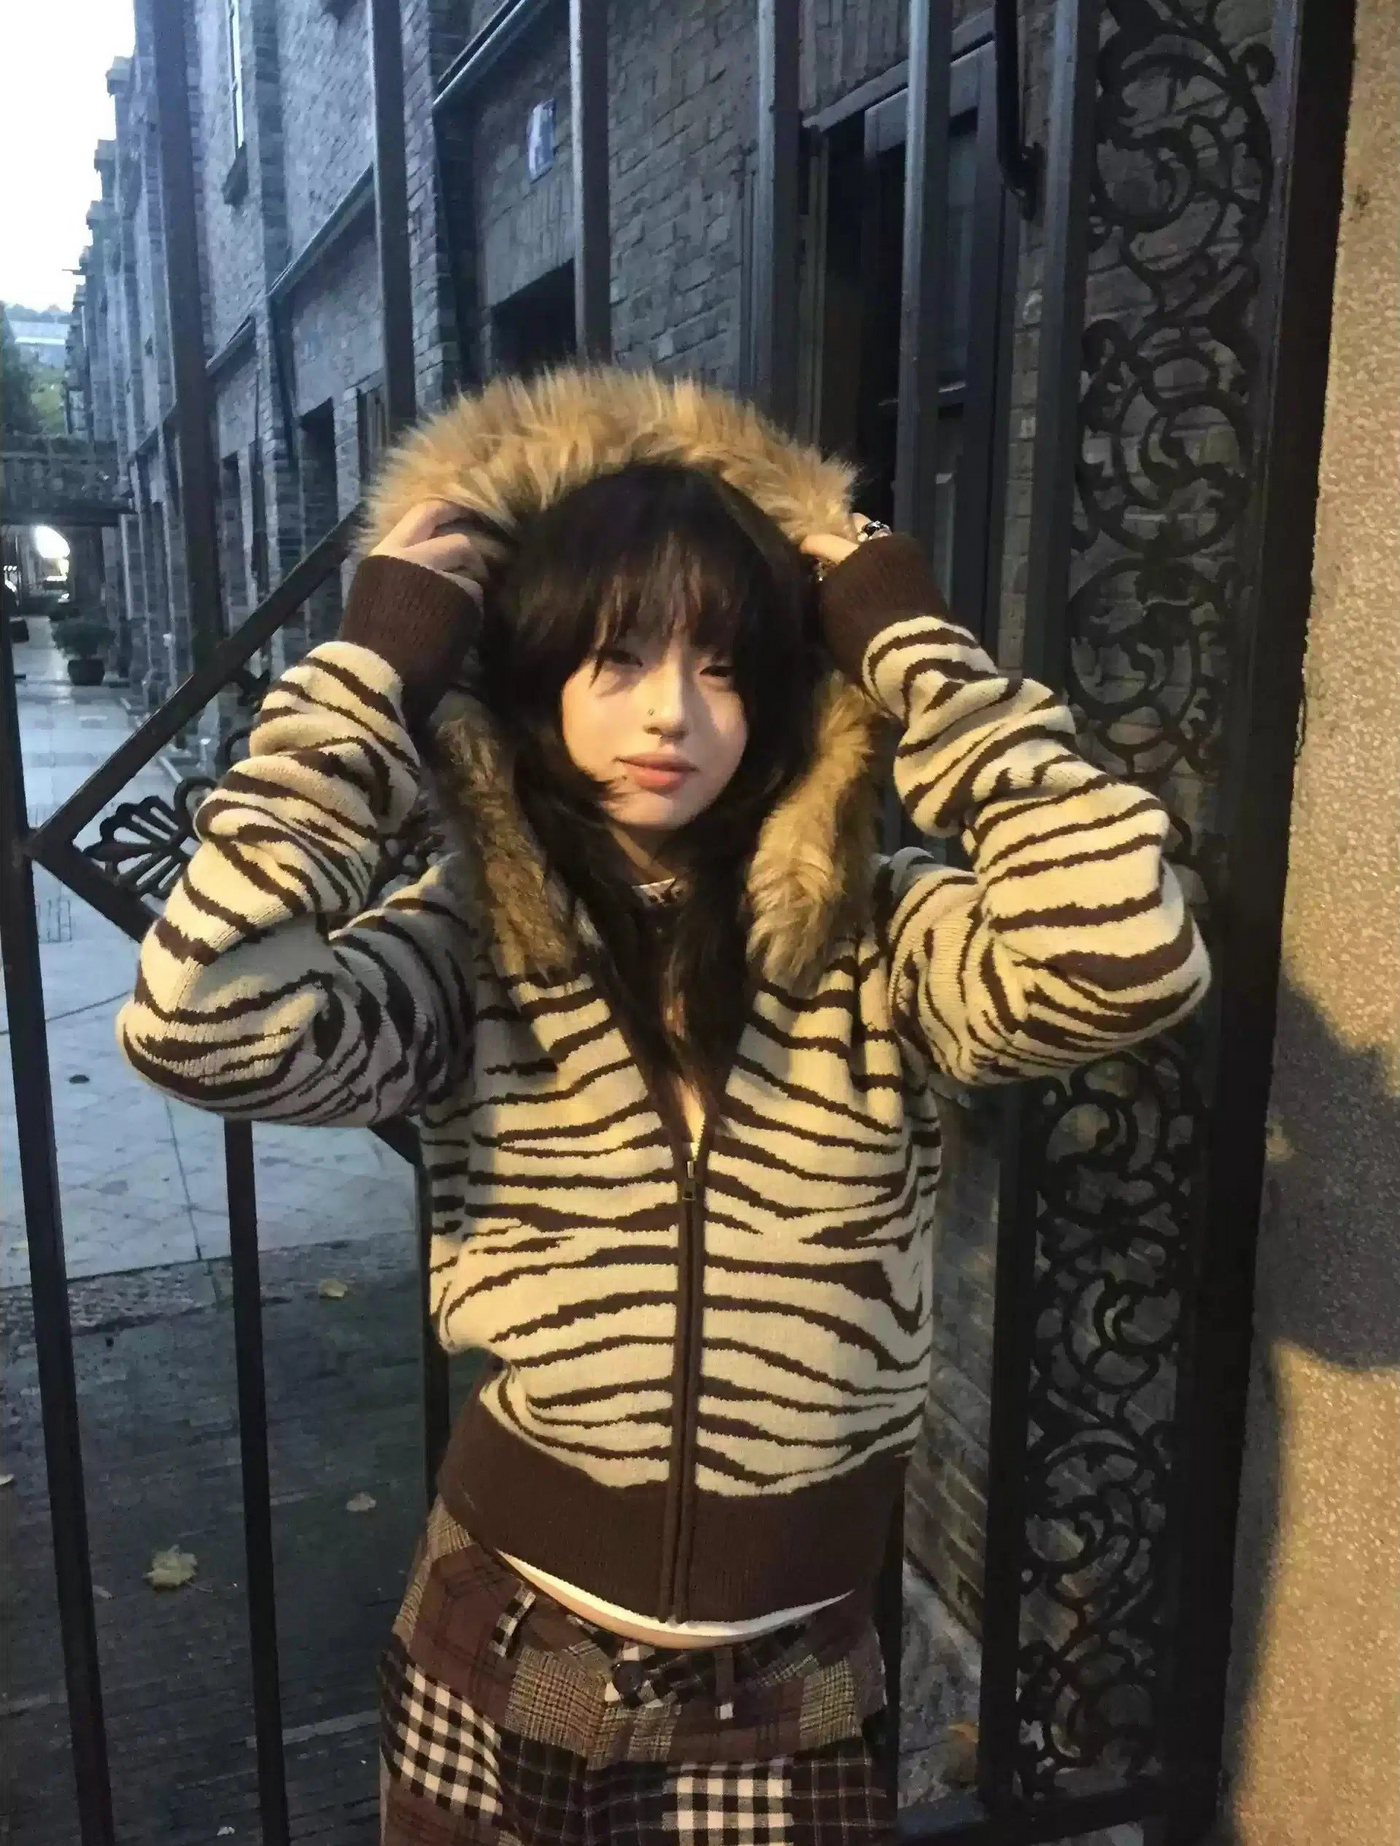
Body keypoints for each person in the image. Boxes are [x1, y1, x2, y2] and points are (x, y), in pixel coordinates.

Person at [115, 364, 1210, 1844]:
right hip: (504, 1646)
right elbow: (197, 1020)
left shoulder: (879, 939)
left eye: (725, 661)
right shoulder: (471, 944)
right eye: (617, 657)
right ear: (538, 680)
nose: (672, 714)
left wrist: (913, 646)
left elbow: (1128, 946)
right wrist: (370, 685)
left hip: (794, 1675)